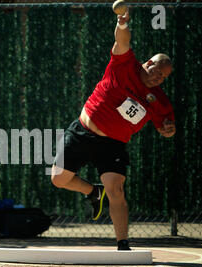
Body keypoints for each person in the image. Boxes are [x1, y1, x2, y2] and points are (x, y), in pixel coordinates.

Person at [51, 8, 175, 251]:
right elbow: (122, 39)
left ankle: (123, 243)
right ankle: (93, 192)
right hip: (82, 131)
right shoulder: (124, 63)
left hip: (113, 144)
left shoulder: (159, 101)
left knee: (116, 190)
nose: (158, 78)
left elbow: (166, 127)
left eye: (163, 77)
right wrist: (122, 22)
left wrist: (168, 130)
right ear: (147, 63)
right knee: (58, 179)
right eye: (156, 71)